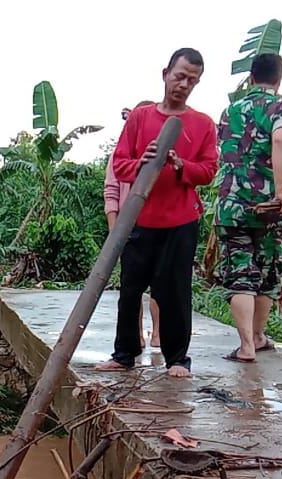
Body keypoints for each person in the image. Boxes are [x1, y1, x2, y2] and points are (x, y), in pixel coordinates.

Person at [95, 49, 219, 378]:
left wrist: (182, 166)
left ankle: (178, 359)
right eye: (179, 76)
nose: (184, 84)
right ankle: (124, 354)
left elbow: (208, 171)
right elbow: (120, 164)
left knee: (175, 291)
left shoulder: (202, 124)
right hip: (140, 219)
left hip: (180, 221)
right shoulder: (141, 118)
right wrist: (143, 162)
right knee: (131, 289)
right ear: (165, 73)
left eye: (192, 80)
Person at [214, 53, 282, 363]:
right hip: (269, 204)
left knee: (240, 273)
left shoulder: (230, 111)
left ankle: (247, 344)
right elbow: (279, 141)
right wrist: (279, 189)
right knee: (265, 272)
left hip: (232, 205)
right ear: (279, 79)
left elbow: (225, 151)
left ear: (250, 78)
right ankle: (258, 337)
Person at [104, 100, 161, 349]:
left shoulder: (163, 152)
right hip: (130, 225)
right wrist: (115, 229)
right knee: (131, 287)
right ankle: (134, 337)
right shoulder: (121, 153)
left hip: (161, 224)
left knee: (162, 285)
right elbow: (111, 190)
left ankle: (159, 334)